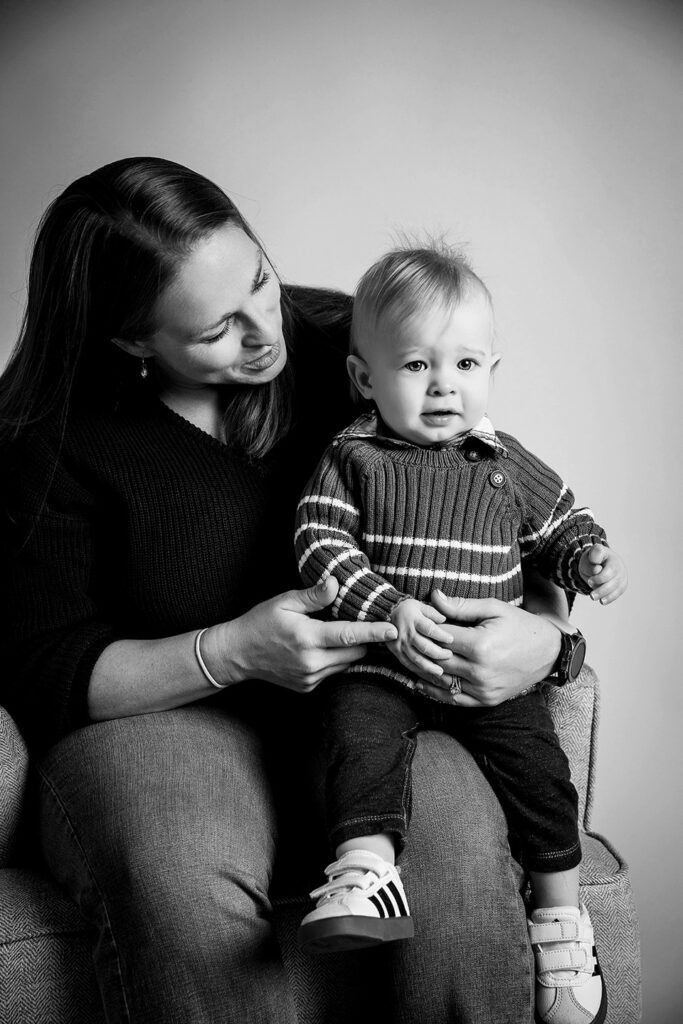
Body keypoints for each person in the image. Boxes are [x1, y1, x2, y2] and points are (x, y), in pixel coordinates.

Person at [1, 158, 574, 1024]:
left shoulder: (352, 344)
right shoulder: (51, 437)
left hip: (385, 696)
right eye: (216, 329)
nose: (264, 329)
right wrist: (230, 653)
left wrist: (543, 635)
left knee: (457, 865)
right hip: (161, 719)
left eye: (260, 280)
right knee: (184, 882)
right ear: (131, 341)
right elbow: (43, 668)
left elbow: (503, 513)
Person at [295, 245, 627, 1024]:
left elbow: (560, 525)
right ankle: (367, 872)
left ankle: (559, 917)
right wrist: (386, 605)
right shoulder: (352, 456)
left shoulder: (502, 461)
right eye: (416, 365)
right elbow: (320, 542)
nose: (443, 384)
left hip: (487, 677)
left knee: (541, 778)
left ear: (490, 370)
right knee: (355, 740)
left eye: (466, 363)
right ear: (363, 378)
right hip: (383, 664)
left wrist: (587, 556)